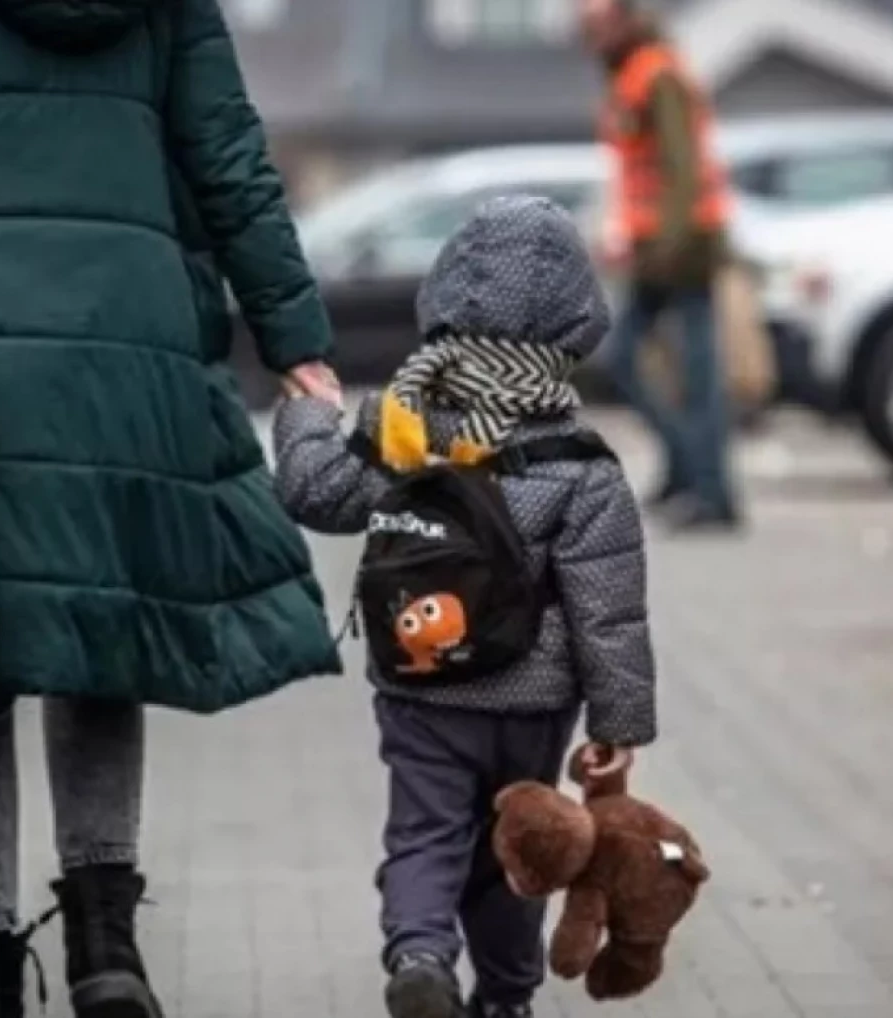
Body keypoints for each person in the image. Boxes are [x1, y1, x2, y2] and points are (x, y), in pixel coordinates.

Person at [0, 1, 344, 1016]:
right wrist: (292, 332)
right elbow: (223, 149)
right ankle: (104, 942)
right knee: (96, 625)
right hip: (123, 337)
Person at [274, 196, 658, 1018]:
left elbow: (314, 492)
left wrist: (310, 408)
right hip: (533, 699)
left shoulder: (404, 432)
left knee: (424, 831)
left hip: (421, 687)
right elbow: (608, 611)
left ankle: (419, 954)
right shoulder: (582, 465)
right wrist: (617, 728)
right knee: (519, 846)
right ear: (575, 322)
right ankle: (507, 1000)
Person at [581, 0, 741, 531]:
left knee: (694, 375)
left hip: (683, 246)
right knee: (633, 361)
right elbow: (634, 171)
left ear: (626, 20)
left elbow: (683, 169)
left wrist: (665, 245)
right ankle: (687, 473)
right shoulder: (630, 74)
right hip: (658, 245)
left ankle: (710, 492)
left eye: (599, 23)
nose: (590, 34)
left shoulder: (657, 74)